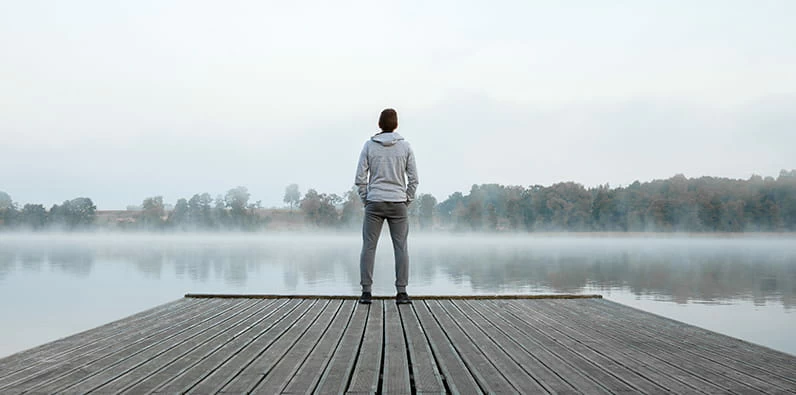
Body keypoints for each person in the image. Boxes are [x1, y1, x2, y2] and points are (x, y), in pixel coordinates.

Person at [354, 108, 418, 305]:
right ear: (396, 124)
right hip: (398, 203)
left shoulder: (369, 146)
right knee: (401, 247)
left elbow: (360, 178)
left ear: (379, 124)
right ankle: (402, 293)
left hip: (374, 202)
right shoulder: (405, 147)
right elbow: (414, 179)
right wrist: (406, 199)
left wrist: (367, 199)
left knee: (369, 246)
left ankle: (366, 293)